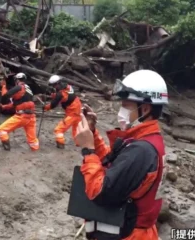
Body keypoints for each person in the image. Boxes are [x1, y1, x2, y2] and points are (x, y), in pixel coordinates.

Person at [74, 69, 168, 240]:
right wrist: (93, 135)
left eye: (126, 106)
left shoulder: (141, 151)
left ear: (145, 108)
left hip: (129, 234)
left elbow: (100, 192)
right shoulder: (144, 140)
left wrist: (88, 151)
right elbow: (114, 163)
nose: (121, 111)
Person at [0, 73, 39, 151]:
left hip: (22, 116)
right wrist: (4, 107)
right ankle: (35, 150)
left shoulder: (19, 87)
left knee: (1, 130)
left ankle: (7, 148)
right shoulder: (28, 89)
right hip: (32, 117)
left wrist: (3, 86)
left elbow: (6, 96)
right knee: (32, 140)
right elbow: (17, 103)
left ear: (16, 80)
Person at [42, 75, 82, 149]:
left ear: (57, 84)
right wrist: (54, 95)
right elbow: (65, 96)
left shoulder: (60, 94)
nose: (54, 87)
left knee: (59, 129)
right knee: (76, 129)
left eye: (54, 85)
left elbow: (53, 104)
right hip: (78, 110)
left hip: (72, 113)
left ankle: (60, 144)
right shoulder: (68, 87)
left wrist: (45, 107)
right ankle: (79, 143)